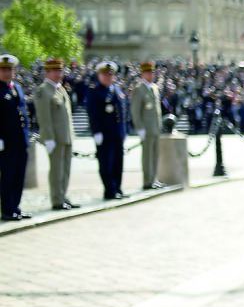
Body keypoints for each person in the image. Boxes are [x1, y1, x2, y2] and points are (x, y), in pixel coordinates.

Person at [32, 58, 77, 210]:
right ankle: (57, 199)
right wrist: (48, 137)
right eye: (55, 71)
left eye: (60, 71)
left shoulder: (60, 89)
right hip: (55, 137)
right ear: (47, 72)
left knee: (65, 169)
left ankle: (63, 195)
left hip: (66, 136)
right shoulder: (43, 90)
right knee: (56, 170)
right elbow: (44, 117)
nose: (59, 74)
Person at [87, 61, 128, 199]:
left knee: (118, 162)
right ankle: (109, 189)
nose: (107, 77)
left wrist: (123, 131)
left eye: (110, 75)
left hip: (117, 133)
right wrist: (96, 131)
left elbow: (122, 113)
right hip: (105, 134)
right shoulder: (95, 91)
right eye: (104, 75)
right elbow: (93, 113)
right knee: (106, 163)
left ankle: (117, 187)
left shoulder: (116, 90)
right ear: (99, 75)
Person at [0, 54, 31, 221]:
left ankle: (15, 207)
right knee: (7, 176)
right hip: (6, 142)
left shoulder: (16, 88)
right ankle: (7, 209)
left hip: (20, 140)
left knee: (19, 176)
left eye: (10, 70)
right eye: (4, 70)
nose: (7, 73)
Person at [130, 60, 164, 189]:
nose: (151, 75)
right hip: (146, 127)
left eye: (152, 72)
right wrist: (139, 127)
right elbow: (135, 110)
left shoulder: (154, 87)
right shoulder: (139, 88)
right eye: (148, 73)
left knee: (155, 154)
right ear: (143, 74)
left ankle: (154, 178)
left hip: (155, 127)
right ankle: (147, 180)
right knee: (147, 156)